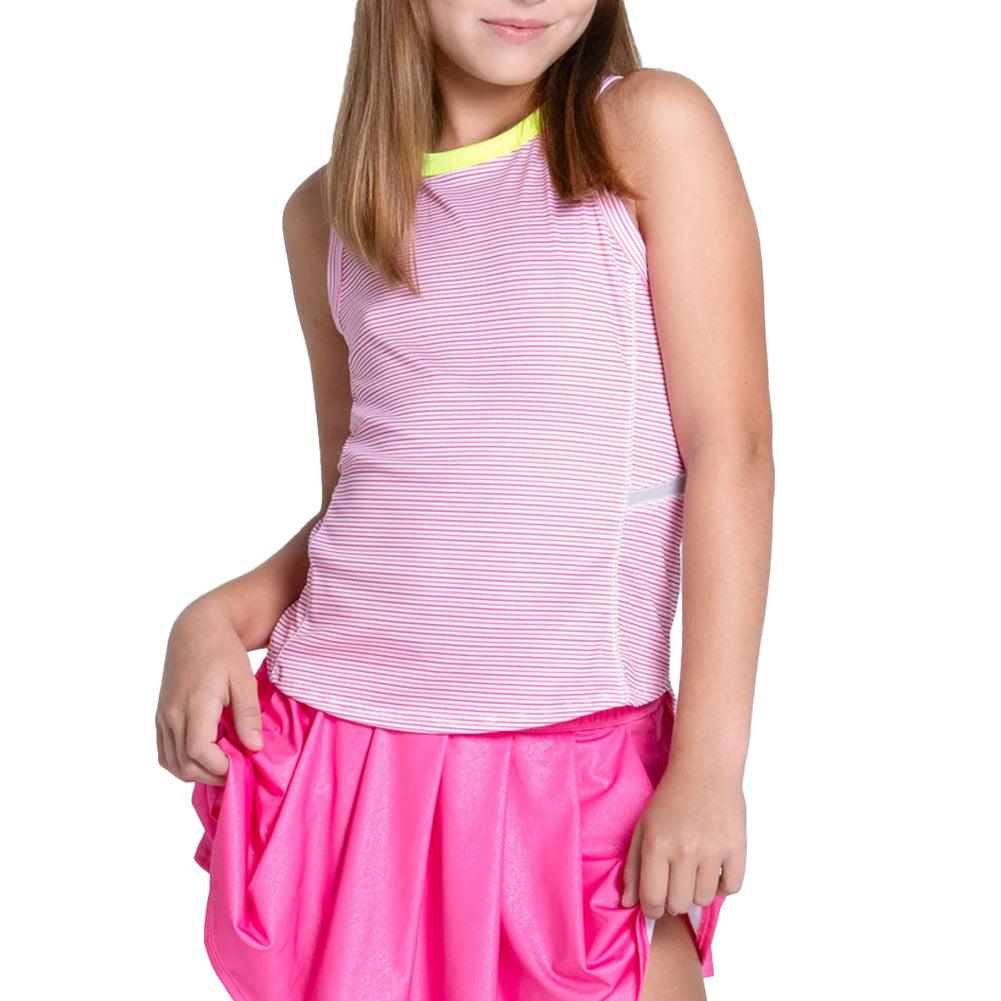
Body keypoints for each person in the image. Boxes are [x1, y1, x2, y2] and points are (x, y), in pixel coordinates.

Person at [155, 3, 772, 999]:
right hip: (343, 754)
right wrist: (218, 615)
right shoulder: (326, 215)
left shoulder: (645, 131)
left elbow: (731, 452)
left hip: (574, 754)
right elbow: (377, 496)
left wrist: (708, 760)